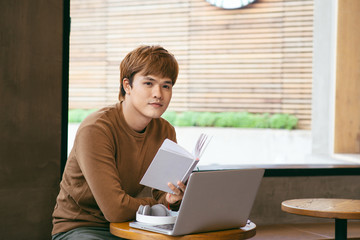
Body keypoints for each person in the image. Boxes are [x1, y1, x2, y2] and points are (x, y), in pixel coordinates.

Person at [52, 45, 186, 239]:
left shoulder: (165, 130)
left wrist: (172, 199)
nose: (158, 93)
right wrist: (158, 206)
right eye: (148, 83)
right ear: (127, 85)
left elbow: (163, 195)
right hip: (82, 228)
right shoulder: (96, 129)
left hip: (134, 226)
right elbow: (115, 209)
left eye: (166, 85)